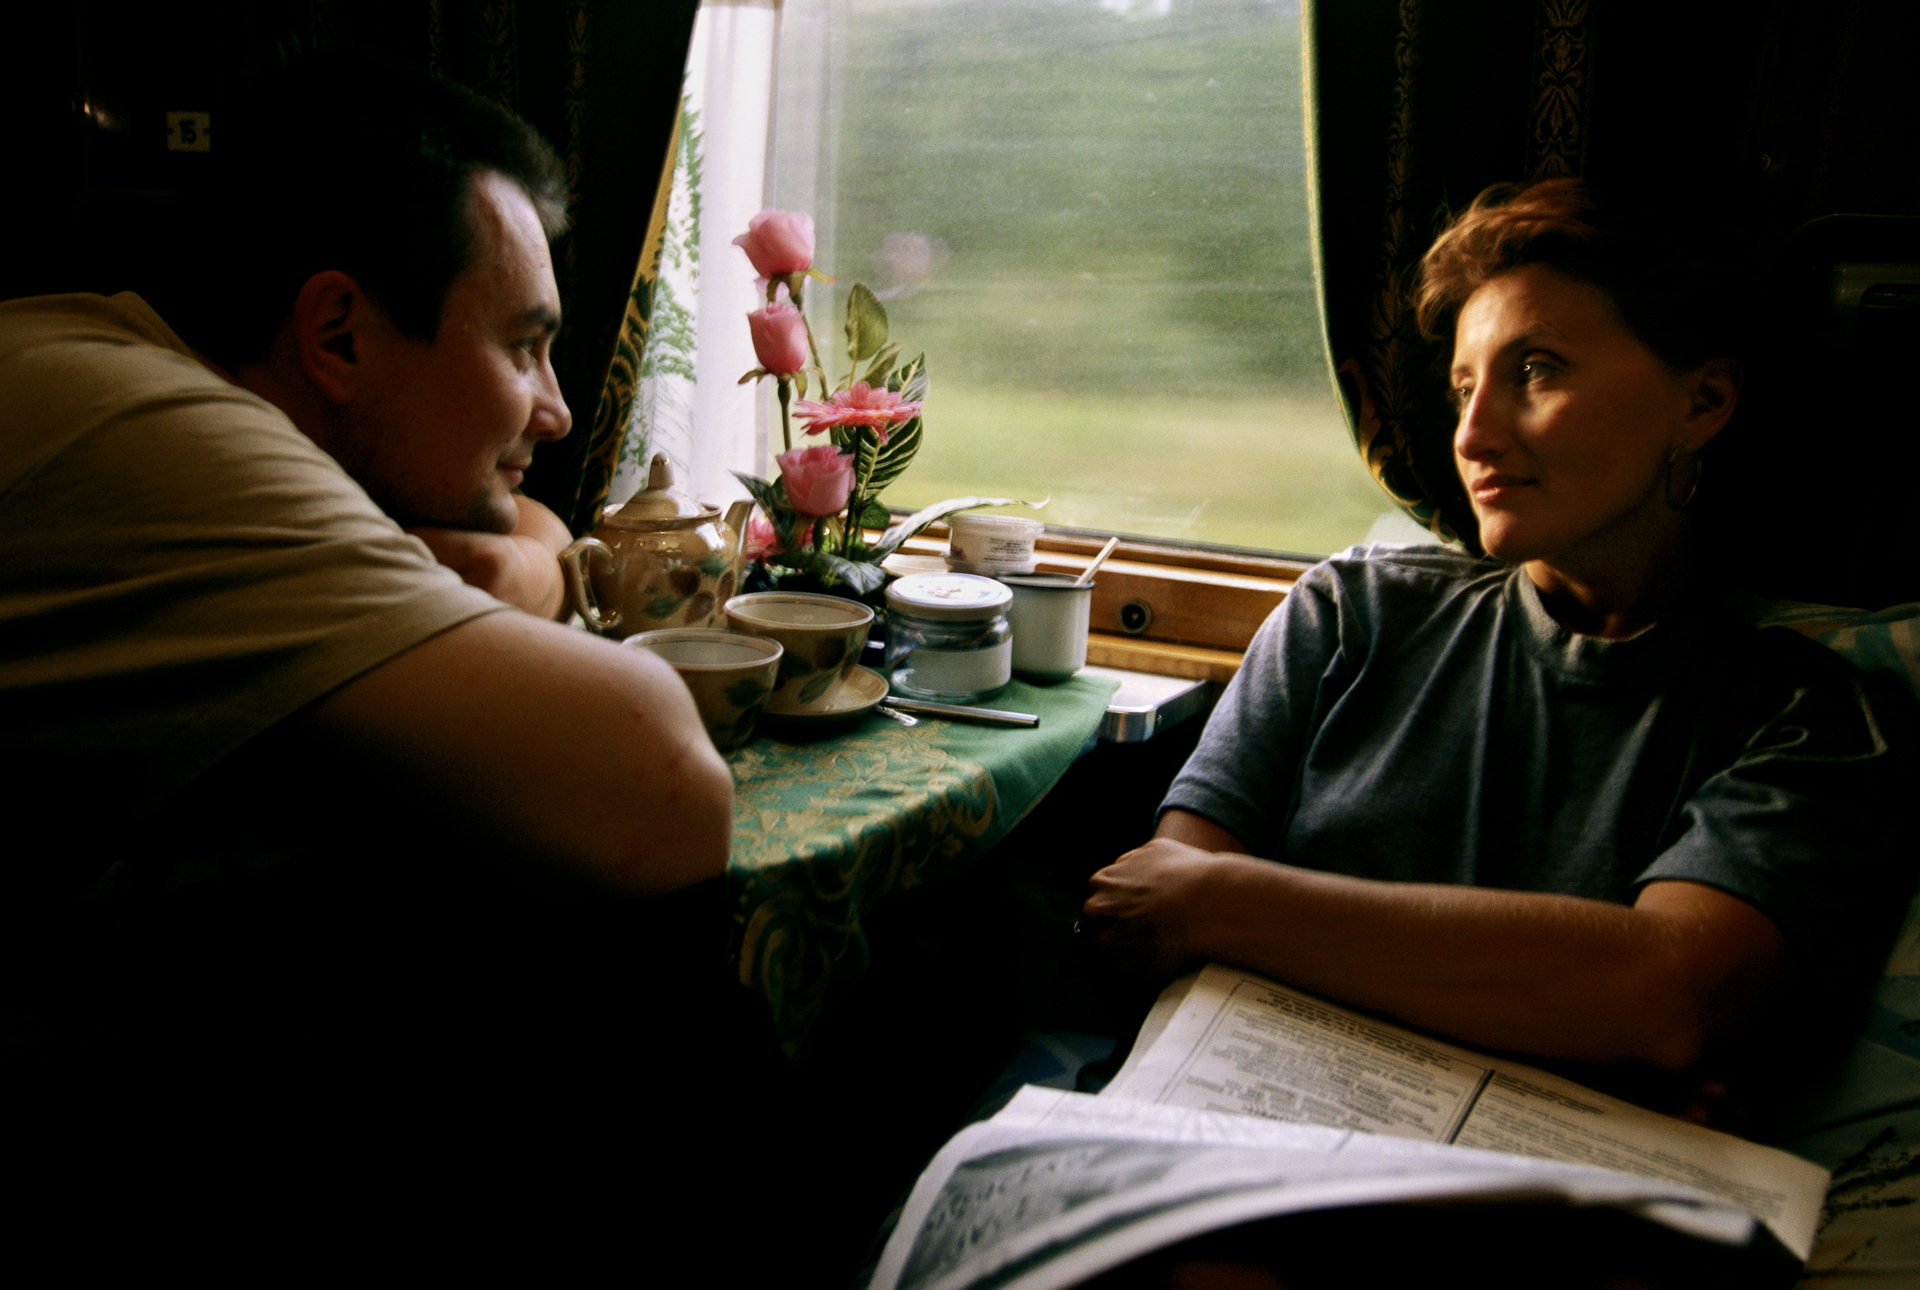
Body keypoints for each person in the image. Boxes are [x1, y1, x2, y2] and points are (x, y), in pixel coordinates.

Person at [3, 52, 803, 1268]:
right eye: (524, 348)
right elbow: (657, 787)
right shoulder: (160, 437)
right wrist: (533, 566)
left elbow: (520, 536)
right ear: (336, 332)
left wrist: (530, 559)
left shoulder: (153, 376)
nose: (556, 412)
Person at [1081, 179, 1911, 1123]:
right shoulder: (1350, 617)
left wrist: (1235, 906)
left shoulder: (1808, 716)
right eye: (1465, 387)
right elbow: (1153, 914)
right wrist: (1566, 1003)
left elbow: (1666, 993)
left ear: (1705, 400)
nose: (1472, 436)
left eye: (1539, 371)